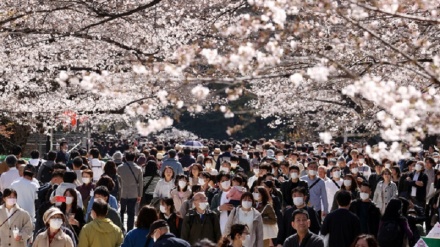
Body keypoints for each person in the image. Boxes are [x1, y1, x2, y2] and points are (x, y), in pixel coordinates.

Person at [117, 151, 143, 232]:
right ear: (135, 158)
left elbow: (118, 181)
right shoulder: (138, 168)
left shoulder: (119, 168)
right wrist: (140, 195)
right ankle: (129, 229)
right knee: (131, 213)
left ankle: (121, 228)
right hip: (133, 193)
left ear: (125, 158)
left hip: (122, 193)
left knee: (121, 211)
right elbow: (141, 183)